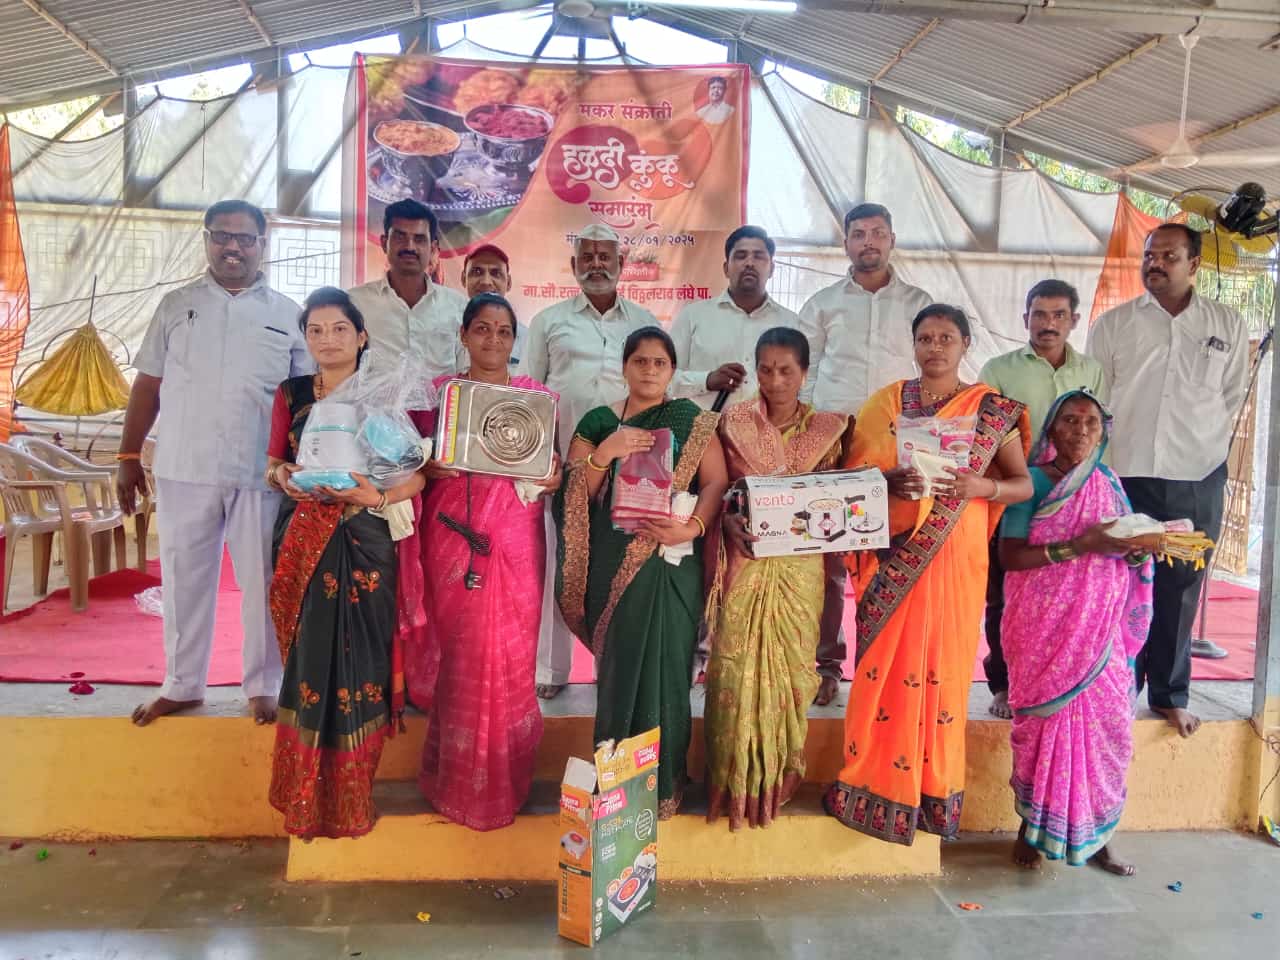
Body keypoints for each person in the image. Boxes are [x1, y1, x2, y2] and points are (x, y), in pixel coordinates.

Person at [824, 304, 1031, 845]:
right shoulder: (887, 403)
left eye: (945, 338)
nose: (934, 347)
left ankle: (933, 791)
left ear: (965, 344)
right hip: (896, 556)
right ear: (913, 344)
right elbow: (851, 476)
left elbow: (1022, 484)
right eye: (925, 338)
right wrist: (887, 479)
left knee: (944, 672)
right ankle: (872, 782)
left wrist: (982, 488)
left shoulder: (990, 410)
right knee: (883, 670)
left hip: (957, 557)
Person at [116, 199, 310, 727]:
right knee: (184, 579)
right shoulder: (176, 305)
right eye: (222, 236)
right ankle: (182, 684)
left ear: (263, 245)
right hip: (186, 466)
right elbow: (147, 384)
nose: (232, 247)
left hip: (261, 472)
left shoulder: (288, 314)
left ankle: (263, 686)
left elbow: (306, 399)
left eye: (245, 238)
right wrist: (128, 455)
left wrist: (302, 466)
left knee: (264, 582)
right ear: (206, 240)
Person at [265, 287, 426, 839]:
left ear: (361, 336)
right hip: (304, 533)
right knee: (310, 660)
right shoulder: (291, 393)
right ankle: (303, 797)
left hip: (364, 536)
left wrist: (375, 497)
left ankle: (353, 797)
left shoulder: (382, 394)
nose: (327, 339)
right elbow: (274, 464)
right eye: (315, 330)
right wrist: (284, 477)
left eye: (339, 329)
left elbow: (415, 474)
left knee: (362, 668)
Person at [557, 326, 728, 817]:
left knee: (669, 672)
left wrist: (692, 527)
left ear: (673, 371)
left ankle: (663, 787)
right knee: (620, 674)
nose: (650, 370)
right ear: (625, 367)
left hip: (671, 563)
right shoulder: (599, 421)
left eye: (660, 363)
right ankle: (617, 793)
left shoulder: (691, 420)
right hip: (613, 565)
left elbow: (716, 482)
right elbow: (574, 495)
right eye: (640, 361)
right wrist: (604, 454)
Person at [1088, 223, 1248, 738]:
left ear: (1194, 264)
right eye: (1149, 255)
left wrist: (1200, 445)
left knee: (1181, 587)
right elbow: (1098, 398)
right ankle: (1116, 691)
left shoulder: (1226, 323)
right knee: (1121, 583)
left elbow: (1230, 395)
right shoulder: (1114, 324)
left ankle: (1169, 696)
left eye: (1168, 256)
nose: (1154, 264)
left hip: (1196, 474)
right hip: (1127, 473)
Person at [410, 293, 562, 831]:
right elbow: (411, 462)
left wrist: (552, 475)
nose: (493, 339)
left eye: (503, 331)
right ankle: (455, 779)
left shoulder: (538, 398)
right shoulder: (441, 396)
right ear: (463, 334)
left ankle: (505, 780)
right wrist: (428, 465)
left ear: (515, 340)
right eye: (482, 328)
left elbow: (552, 466)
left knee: (509, 653)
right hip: (452, 539)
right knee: (462, 653)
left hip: (516, 544)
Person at [999, 389, 1151, 876]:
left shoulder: (1109, 482)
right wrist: (1079, 547)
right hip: (1044, 630)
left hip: (1101, 632)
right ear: (1052, 427)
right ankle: (1031, 826)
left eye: (1091, 422)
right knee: (1044, 728)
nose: (1081, 430)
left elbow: (1123, 542)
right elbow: (1009, 556)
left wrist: (1136, 552)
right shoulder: (1032, 482)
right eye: (1069, 420)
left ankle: (1100, 836)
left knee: (1108, 730)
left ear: (1103, 430)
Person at [703, 327, 847, 831]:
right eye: (765, 369)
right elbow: (716, 487)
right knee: (734, 668)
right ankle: (731, 785)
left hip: (800, 570)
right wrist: (726, 521)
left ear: (805, 373)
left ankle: (773, 783)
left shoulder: (830, 429)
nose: (775, 380)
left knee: (789, 674)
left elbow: (838, 498)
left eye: (787, 370)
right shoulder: (733, 422)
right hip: (745, 559)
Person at [796, 202, 934, 707]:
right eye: (859, 233)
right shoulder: (823, 304)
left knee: (893, 554)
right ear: (846, 244)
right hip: (836, 443)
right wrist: (810, 436)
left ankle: (887, 664)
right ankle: (826, 665)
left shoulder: (918, 302)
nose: (868, 241)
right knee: (830, 555)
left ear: (892, 239)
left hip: (897, 446)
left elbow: (930, 369)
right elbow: (805, 372)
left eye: (877, 232)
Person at [520, 223, 657, 699]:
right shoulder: (549, 321)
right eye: (588, 257)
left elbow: (658, 387)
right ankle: (550, 670)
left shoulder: (644, 322)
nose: (597, 264)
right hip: (564, 467)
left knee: (615, 567)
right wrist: (542, 459)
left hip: (629, 468)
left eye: (605, 256)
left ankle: (609, 667)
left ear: (622, 264)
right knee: (559, 566)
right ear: (574, 265)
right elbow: (530, 394)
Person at [978, 280, 1107, 719]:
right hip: (1013, 494)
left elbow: (1094, 429)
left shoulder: (1090, 371)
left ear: (1074, 320)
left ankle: (1062, 678)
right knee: (1003, 595)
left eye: (1058, 315)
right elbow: (985, 436)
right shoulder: (999, 370)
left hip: (1071, 497)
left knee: (1070, 595)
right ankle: (1003, 684)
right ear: (1025, 319)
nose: (1048, 324)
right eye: (1039, 314)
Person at [669, 225, 798, 411]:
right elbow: (664, 378)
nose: (749, 263)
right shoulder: (693, 317)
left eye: (758, 256)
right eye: (740, 256)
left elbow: (802, 384)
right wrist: (706, 380)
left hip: (770, 428)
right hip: (702, 427)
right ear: (726, 269)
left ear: (771, 269)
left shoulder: (791, 324)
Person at [348, 198, 468, 379]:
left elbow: (465, 374)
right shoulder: (355, 304)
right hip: (371, 399)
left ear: (433, 248)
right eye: (400, 236)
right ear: (384, 243)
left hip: (441, 399)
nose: (410, 246)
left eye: (419, 239)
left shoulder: (458, 306)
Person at [460, 243, 524, 368]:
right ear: (463, 279)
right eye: (477, 272)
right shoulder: (448, 327)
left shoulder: (526, 338)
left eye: (496, 273)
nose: (486, 282)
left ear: (509, 283)